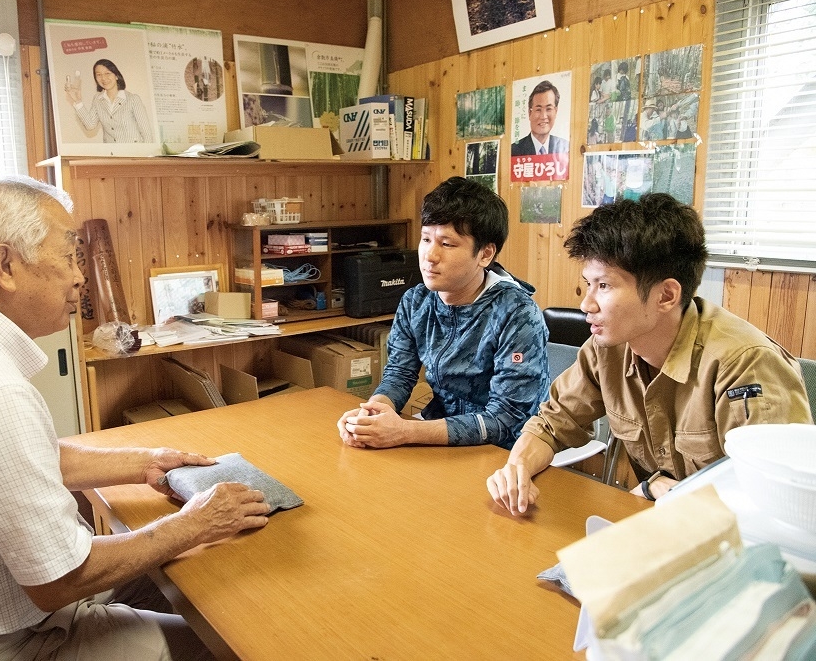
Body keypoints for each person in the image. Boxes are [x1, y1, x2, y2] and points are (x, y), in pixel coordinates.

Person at [0, 176, 270, 660]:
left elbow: (21, 461)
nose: (80, 276)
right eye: (68, 256)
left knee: (173, 580)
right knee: (233, 644)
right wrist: (195, 524)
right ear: (5, 265)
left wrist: (145, 461)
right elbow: (61, 578)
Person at [487, 193, 812, 516]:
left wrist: (666, 491)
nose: (587, 304)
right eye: (588, 284)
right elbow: (552, 424)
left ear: (666, 295)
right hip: (662, 523)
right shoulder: (606, 349)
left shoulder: (744, 363)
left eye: (604, 286)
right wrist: (516, 468)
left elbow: (780, 500)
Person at [337, 177, 549, 449]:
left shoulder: (518, 313)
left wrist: (405, 432)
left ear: (485, 254)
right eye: (426, 239)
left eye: (446, 244)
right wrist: (374, 412)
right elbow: (399, 374)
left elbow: (506, 418)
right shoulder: (416, 301)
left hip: (507, 451)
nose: (429, 255)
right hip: (437, 437)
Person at [64, 58, 153, 143]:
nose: (103, 78)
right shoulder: (97, 99)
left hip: (134, 154)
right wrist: (78, 101)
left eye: (107, 73)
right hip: (111, 154)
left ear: (116, 76)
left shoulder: (133, 99)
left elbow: (147, 133)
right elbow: (90, 125)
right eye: (99, 75)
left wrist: (147, 157)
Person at [511, 80, 568, 156]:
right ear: (529, 113)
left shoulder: (566, 148)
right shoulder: (513, 151)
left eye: (548, 109)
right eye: (538, 109)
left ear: (556, 111)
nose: (543, 116)